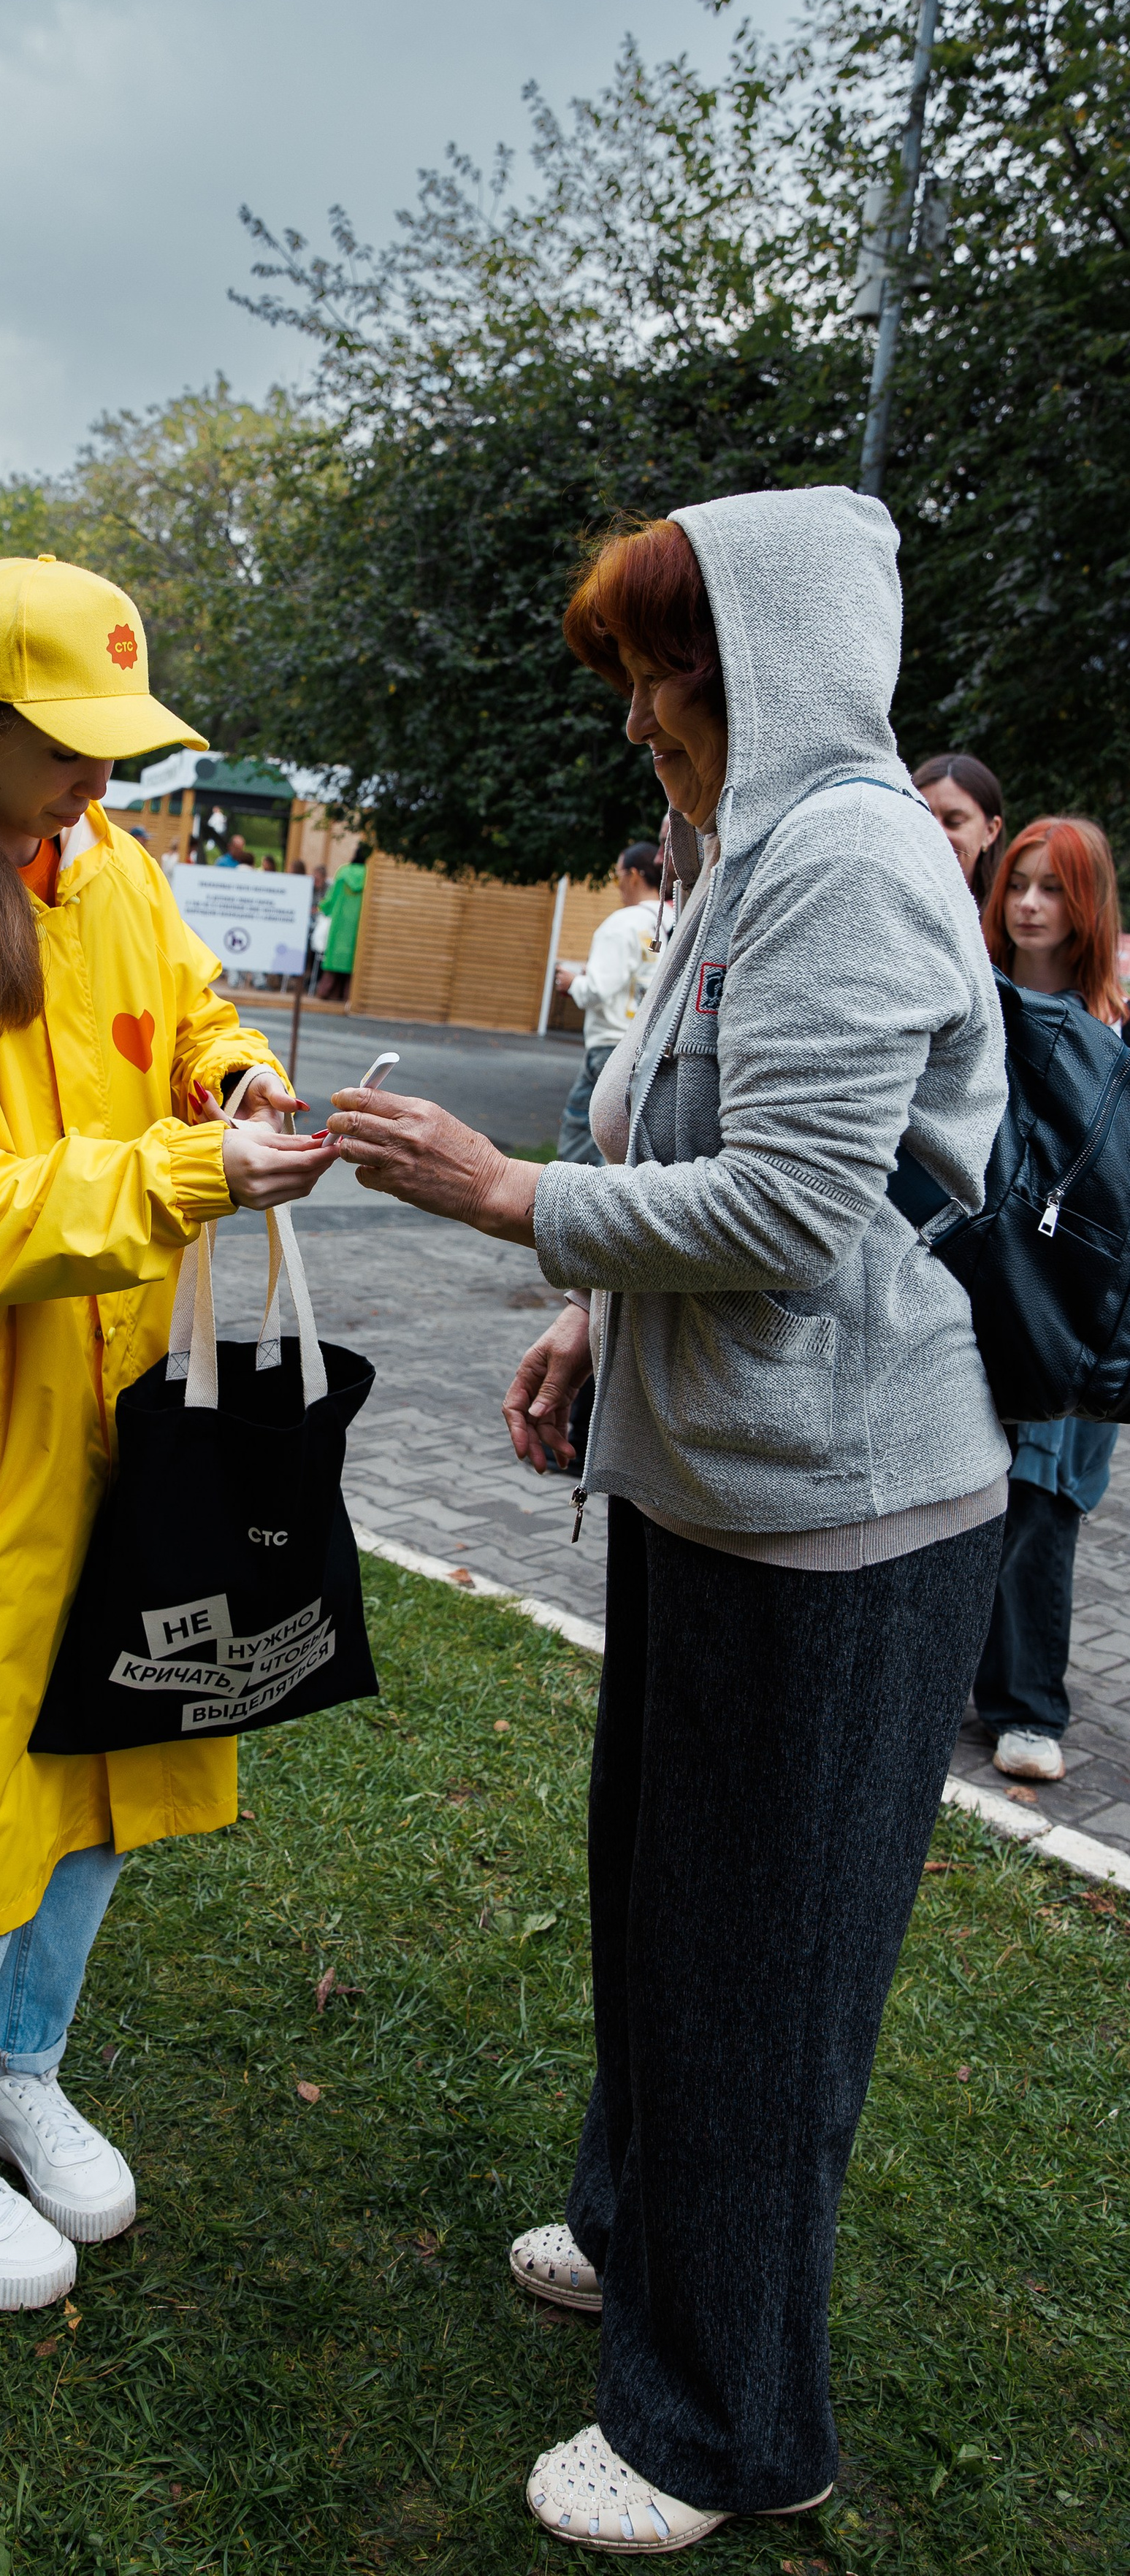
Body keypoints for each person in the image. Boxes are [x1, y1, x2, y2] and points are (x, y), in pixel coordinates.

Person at [326, 491, 1008, 2553]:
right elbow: (692, 1160)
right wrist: (587, 1323)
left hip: (846, 1521)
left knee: (763, 1968)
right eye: (628, 678)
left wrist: (510, 1199)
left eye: (664, 674)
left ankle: (734, 2424)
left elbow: (798, 1213)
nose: (637, 723)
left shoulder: (859, 861)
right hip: (716, 1486)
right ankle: (648, 2241)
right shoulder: (744, 860)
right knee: (668, 1912)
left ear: (778, 664)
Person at [0, 552, 332, 2315]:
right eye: (65, 749)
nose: (100, 781)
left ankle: (17, 2070)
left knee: (105, 1753)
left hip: (122, 1419)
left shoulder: (109, 869)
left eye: (114, 746)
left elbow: (182, 1009)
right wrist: (190, 1166)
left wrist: (230, 1071)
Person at [969, 813, 1124, 1783]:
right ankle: (959, 1678)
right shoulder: (970, 1002)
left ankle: (1028, 1705)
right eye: (1019, 883)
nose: (1030, 905)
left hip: (1076, 1299)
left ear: (1088, 903)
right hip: (985, 1285)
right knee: (971, 1489)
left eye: (1054, 889)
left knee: (1045, 1497)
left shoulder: (1115, 1020)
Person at [553, 843, 665, 1165]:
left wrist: (573, 982)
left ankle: (569, 1209)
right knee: (624, 1147)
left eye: (617, 875)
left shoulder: (622, 923)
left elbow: (597, 990)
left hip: (609, 1049)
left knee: (581, 1141)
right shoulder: (675, 918)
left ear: (632, 876)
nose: (616, 884)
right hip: (651, 1049)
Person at [913, 750, 1005, 907]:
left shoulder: (1011, 921)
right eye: (924, 820)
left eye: (954, 822)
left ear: (990, 831)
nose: (936, 834)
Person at [314, 842, 370, 1002]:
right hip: (359, 925)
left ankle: (328, 992)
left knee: (335, 960)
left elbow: (330, 899)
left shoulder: (344, 871)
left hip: (340, 924)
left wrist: (324, 908)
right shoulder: (370, 875)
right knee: (353, 961)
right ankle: (348, 996)